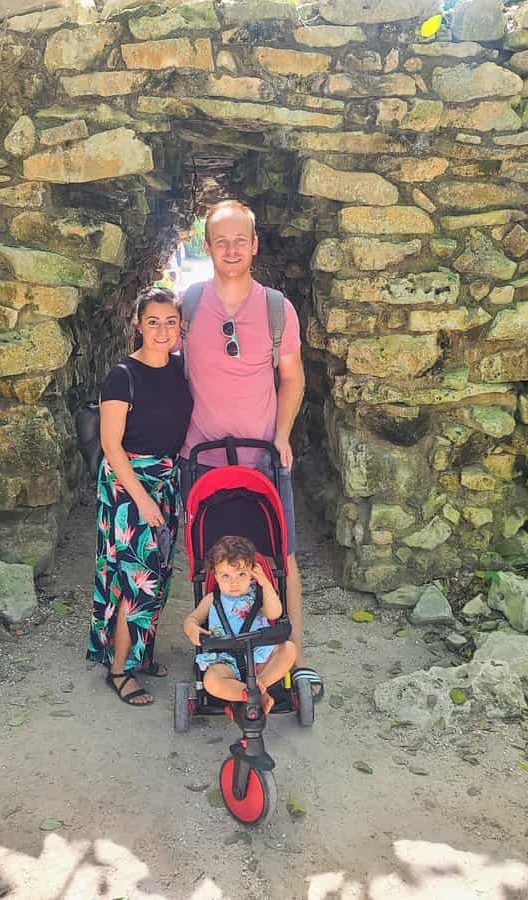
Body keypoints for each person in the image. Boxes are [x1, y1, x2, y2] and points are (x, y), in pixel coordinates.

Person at [181, 199, 323, 702]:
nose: (232, 249)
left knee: (281, 554)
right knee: (205, 552)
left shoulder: (275, 308)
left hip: (264, 454)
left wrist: (282, 434)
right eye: (222, 241)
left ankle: (291, 653)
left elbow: (292, 376)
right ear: (208, 247)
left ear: (255, 244)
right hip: (201, 455)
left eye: (241, 240)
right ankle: (216, 647)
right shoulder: (190, 305)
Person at [87, 287, 193, 706]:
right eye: (153, 321)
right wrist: (143, 500)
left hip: (165, 480)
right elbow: (112, 447)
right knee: (133, 579)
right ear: (138, 324)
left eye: (171, 321)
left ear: (180, 325)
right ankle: (119, 670)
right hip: (128, 485)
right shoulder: (122, 376)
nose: (163, 330)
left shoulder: (180, 369)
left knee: (158, 574)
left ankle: (140, 654)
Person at [183, 536, 297, 715]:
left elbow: (275, 613)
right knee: (212, 680)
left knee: (289, 649)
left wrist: (265, 584)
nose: (234, 582)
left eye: (241, 574)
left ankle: (260, 686)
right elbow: (192, 619)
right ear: (216, 576)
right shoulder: (212, 599)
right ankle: (250, 695)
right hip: (226, 659)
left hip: (260, 656)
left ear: (252, 572)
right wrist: (192, 629)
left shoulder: (257, 595)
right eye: (226, 576)